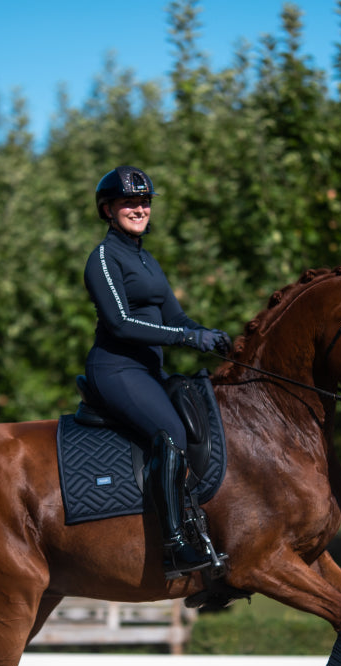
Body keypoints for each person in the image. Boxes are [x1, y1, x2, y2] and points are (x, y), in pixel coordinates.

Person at [82, 165, 230, 578]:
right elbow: (121, 324)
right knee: (173, 432)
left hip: (148, 371)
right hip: (115, 369)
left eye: (144, 201)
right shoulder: (104, 258)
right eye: (129, 202)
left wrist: (208, 335)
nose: (139, 208)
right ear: (108, 209)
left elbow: (175, 316)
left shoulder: (147, 260)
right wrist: (186, 339)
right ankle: (175, 546)